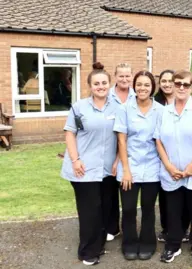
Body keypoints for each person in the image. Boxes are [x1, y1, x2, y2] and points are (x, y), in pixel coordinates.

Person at [155, 70, 192, 265]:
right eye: (178, 83)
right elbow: (158, 140)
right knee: (173, 210)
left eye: (186, 84)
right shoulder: (163, 111)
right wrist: (169, 166)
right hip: (171, 172)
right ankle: (172, 246)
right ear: (172, 84)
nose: (181, 87)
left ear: (191, 87)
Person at [60, 62, 116, 266]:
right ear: (90, 86)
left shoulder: (117, 106)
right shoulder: (79, 107)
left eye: (104, 82)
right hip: (83, 168)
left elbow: (122, 137)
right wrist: (75, 160)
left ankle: (98, 245)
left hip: (108, 169)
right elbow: (69, 134)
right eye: (96, 83)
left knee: (104, 209)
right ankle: (87, 252)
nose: (100, 86)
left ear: (110, 84)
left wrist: (119, 160)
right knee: (89, 212)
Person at [114, 70, 163, 261]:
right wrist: (126, 170)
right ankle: (129, 243)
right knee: (128, 209)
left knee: (148, 208)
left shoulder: (160, 110)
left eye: (147, 85)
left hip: (152, 167)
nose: (142, 88)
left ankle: (148, 243)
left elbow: (161, 141)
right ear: (135, 86)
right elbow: (121, 140)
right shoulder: (125, 109)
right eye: (140, 84)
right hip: (130, 167)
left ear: (152, 88)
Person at [154, 69, 191, 244]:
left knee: (184, 195)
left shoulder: (186, 102)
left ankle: (183, 228)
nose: (167, 84)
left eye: (171, 81)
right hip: (161, 157)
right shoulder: (156, 104)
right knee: (166, 196)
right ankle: (167, 228)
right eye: (164, 81)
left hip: (183, 157)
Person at [105, 63, 136, 242]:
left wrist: (119, 158)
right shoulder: (106, 94)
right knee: (110, 190)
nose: (124, 79)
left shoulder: (136, 95)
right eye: (121, 76)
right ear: (115, 77)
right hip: (108, 145)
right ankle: (112, 226)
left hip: (128, 147)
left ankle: (128, 228)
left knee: (127, 190)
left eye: (127, 76)